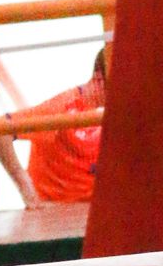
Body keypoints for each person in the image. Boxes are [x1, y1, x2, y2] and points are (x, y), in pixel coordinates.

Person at [25, 45, 107, 205]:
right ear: (99, 79)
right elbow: (0, 131)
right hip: (59, 211)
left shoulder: (115, 113)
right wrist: (26, 190)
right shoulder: (61, 108)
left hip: (96, 208)